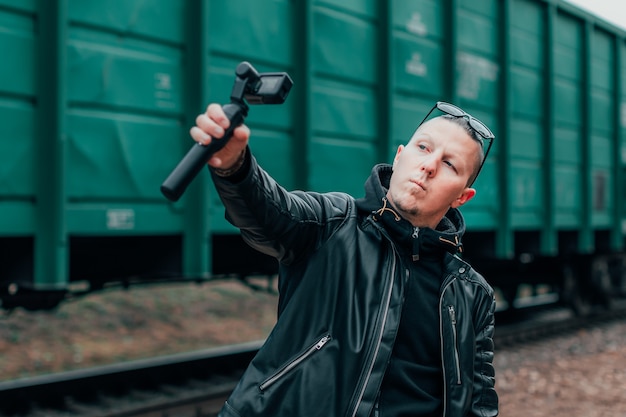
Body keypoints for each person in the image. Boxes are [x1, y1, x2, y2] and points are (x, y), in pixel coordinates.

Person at [190, 101, 499, 417]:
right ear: (399, 156)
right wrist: (235, 166)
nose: (429, 165)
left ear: (462, 197)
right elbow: (269, 211)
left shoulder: (473, 295)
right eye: (423, 147)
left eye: (450, 164)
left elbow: (479, 405)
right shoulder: (332, 223)